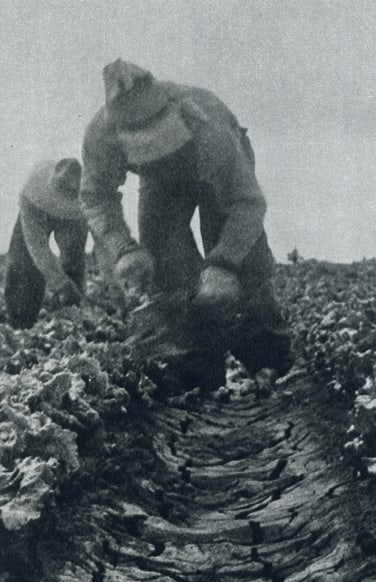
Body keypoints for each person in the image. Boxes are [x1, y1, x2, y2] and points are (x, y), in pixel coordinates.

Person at [80, 59, 293, 391]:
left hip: (213, 171)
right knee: (167, 271)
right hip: (157, 183)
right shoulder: (101, 135)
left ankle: (271, 363)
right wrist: (122, 249)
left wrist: (224, 263)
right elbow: (95, 196)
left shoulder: (209, 125)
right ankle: (195, 376)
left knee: (246, 267)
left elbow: (248, 202)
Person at [3, 159, 87, 328]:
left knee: (73, 262)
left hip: (74, 215)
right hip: (36, 208)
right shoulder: (32, 194)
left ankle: (71, 322)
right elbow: (37, 246)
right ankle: (21, 324)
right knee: (22, 262)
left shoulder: (85, 200)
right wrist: (60, 283)